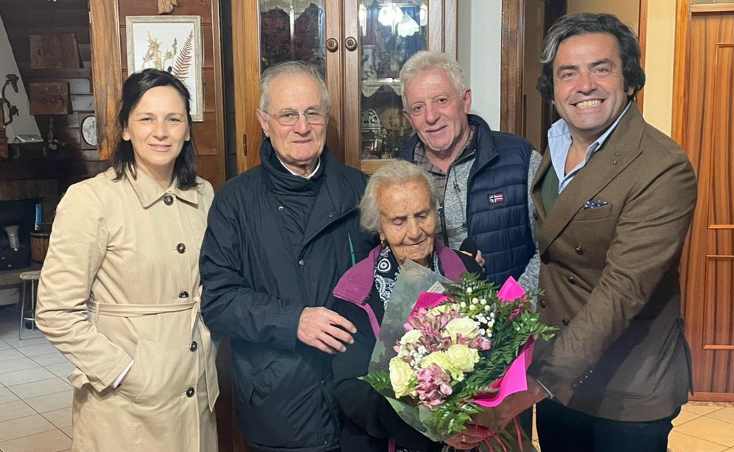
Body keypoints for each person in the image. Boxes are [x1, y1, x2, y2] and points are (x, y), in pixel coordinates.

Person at [460, 13, 698, 452]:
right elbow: (550, 259)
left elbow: (622, 289)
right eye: (568, 73)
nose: (584, 85)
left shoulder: (662, 166)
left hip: (628, 387)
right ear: (553, 88)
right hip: (561, 380)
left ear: (628, 79)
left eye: (600, 68)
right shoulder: (556, 144)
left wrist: (532, 387)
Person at [36, 69, 219, 452]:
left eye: (174, 119)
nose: (161, 131)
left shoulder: (204, 195)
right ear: (125, 129)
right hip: (125, 405)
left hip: (194, 393)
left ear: (187, 129)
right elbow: (55, 311)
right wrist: (123, 371)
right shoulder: (91, 200)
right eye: (146, 119)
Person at [199, 61, 375, 452]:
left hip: (360, 404)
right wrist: (293, 321)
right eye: (288, 115)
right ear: (264, 122)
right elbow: (219, 302)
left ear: (326, 118)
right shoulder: (235, 201)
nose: (302, 126)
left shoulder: (362, 191)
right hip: (278, 406)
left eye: (313, 113)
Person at [330, 160, 483, 452]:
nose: (414, 232)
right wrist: (433, 427)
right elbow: (352, 390)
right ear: (381, 229)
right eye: (399, 221)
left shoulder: (464, 270)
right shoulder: (355, 292)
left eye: (422, 215)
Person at [398, 51, 540, 293]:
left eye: (441, 100)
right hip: (430, 327)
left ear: (465, 101)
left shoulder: (521, 159)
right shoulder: (398, 177)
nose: (431, 117)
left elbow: (550, 251)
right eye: (418, 108)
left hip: (513, 323)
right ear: (409, 119)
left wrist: (511, 312)